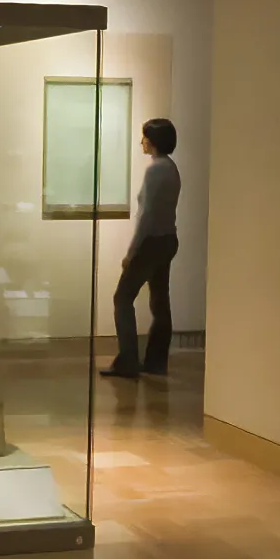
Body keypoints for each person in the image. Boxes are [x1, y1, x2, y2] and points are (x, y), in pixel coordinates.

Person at [103, 118, 181, 379]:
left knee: (122, 297)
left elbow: (146, 216)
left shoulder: (155, 170)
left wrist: (131, 252)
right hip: (168, 239)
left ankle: (128, 360)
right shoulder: (171, 168)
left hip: (151, 242)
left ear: (153, 141)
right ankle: (156, 361)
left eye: (145, 137)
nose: (141, 142)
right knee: (160, 301)